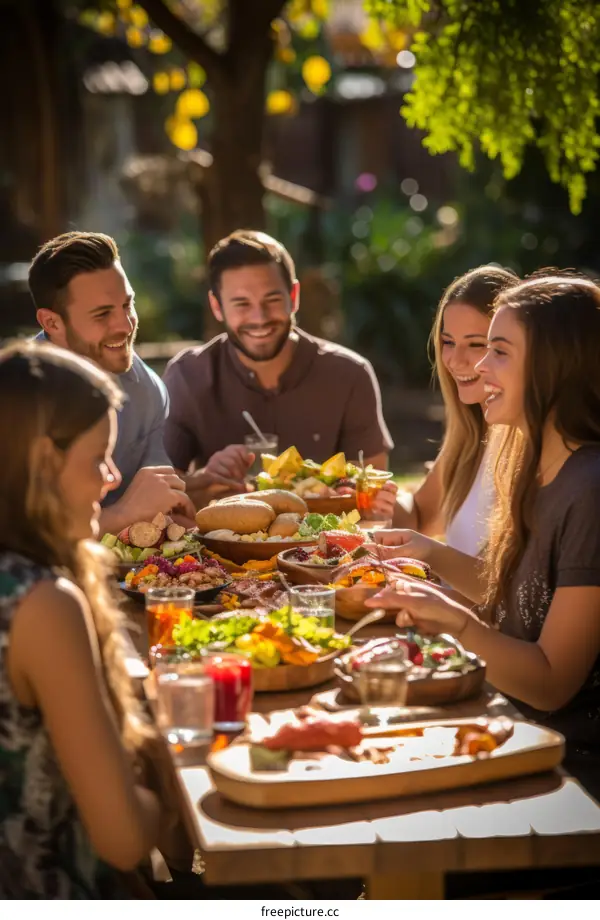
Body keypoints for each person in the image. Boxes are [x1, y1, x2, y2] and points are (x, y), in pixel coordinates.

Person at [366, 275, 600, 794]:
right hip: (507, 725)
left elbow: (550, 682)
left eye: (497, 350)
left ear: (552, 366)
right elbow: (516, 595)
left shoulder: (591, 491)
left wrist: (456, 625)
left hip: (565, 773)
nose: (476, 367)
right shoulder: (534, 464)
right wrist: (425, 557)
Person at [0, 341, 167, 897]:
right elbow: (122, 839)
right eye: (99, 457)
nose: (112, 477)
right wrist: (180, 768)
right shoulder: (44, 605)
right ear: (45, 461)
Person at [28, 232, 236, 531]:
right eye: (102, 314)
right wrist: (123, 514)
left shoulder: (146, 390)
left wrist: (194, 488)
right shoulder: (14, 403)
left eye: (127, 305)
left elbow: (154, 505)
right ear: (51, 322)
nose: (125, 327)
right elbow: (18, 541)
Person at [163, 230, 393, 491]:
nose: (260, 318)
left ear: (293, 297)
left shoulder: (350, 375)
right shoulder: (187, 376)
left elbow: (372, 492)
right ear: (217, 307)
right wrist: (206, 478)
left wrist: (348, 491)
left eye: (272, 300)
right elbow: (162, 492)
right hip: (217, 532)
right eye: (242, 304)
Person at [372, 265, 519, 552]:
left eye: (476, 344)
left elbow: (510, 587)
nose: (454, 360)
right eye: (448, 342)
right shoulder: (471, 434)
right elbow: (419, 518)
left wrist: (432, 560)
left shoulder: (530, 446)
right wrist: (387, 495)